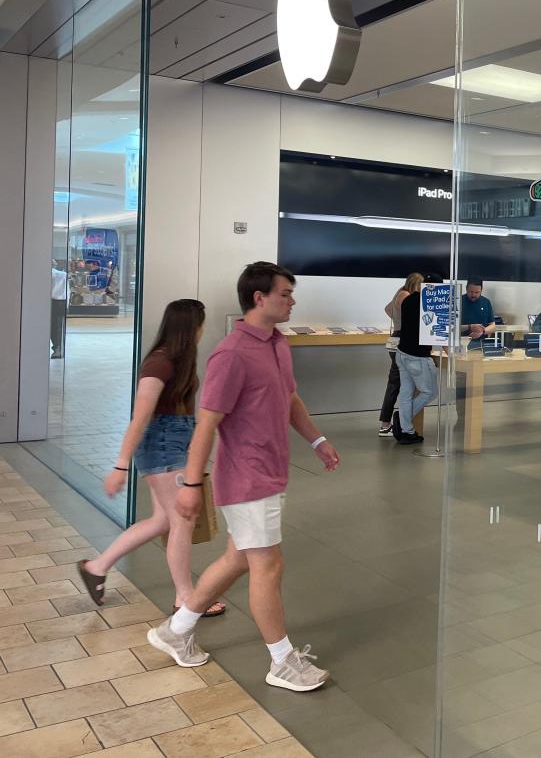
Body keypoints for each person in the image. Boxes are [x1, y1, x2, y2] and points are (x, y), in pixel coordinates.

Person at [148, 262, 341, 693]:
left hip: (271, 473)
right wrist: (192, 486)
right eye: (286, 294)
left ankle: (174, 631)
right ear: (260, 298)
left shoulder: (277, 343)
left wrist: (317, 440)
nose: (292, 301)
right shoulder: (231, 354)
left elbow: (289, 397)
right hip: (246, 479)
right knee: (268, 565)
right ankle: (281, 661)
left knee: (239, 558)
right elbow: (207, 424)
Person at [76, 300, 224, 618]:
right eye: (200, 324)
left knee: (162, 521)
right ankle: (185, 598)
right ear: (190, 327)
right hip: (162, 445)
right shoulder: (161, 363)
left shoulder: (179, 360)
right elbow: (140, 417)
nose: (202, 330)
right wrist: (120, 465)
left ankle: (96, 567)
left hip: (176, 440)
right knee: (182, 522)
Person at [395, 275, 441, 453]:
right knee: (430, 392)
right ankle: (403, 420)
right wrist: (449, 352)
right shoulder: (430, 304)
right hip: (418, 356)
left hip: (402, 352)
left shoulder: (408, 299)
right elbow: (438, 331)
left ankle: (407, 431)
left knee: (406, 393)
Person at [378, 273, 421, 437]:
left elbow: (388, 309)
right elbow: (410, 314)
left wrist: (397, 320)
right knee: (396, 383)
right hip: (402, 339)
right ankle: (386, 424)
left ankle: (388, 423)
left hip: (396, 337)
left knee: (396, 382)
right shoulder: (406, 295)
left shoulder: (399, 291)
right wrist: (404, 322)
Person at [460, 277, 497, 346]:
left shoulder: (486, 302)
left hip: (482, 344)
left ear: (481, 290)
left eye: (477, 292)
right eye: (471, 292)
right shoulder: (458, 301)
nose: (473, 295)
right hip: (461, 343)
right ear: (466, 289)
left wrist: (482, 332)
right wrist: (470, 327)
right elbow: (452, 327)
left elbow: (492, 326)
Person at [51, 261, 67, 358]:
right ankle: (58, 347)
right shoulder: (62, 274)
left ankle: (58, 347)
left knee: (55, 326)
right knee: (57, 326)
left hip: (56, 301)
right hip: (59, 301)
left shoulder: (58, 274)